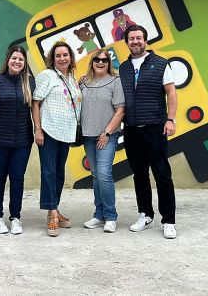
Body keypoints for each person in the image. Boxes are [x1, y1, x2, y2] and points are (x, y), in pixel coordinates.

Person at [118, 25, 178, 239]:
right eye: (131, 38)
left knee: (162, 174)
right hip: (132, 129)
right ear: (126, 42)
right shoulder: (123, 68)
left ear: (145, 41)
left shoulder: (161, 64)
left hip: (155, 127)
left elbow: (171, 93)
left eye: (139, 38)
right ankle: (145, 214)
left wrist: (170, 120)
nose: (135, 41)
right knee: (139, 174)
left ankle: (168, 220)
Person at [32, 41, 81, 237]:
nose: (62, 58)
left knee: (59, 173)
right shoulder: (47, 76)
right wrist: (38, 129)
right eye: (58, 55)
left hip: (66, 132)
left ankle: (55, 207)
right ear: (52, 59)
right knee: (49, 172)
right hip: (49, 131)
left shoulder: (72, 78)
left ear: (71, 58)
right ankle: (51, 213)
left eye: (65, 55)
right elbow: (35, 103)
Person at [0, 46, 35, 235]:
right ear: (8, 60)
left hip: (22, 140)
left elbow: (37, 108)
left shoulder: (30, 82)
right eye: (14, 58)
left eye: (21, 59)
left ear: (24, 63)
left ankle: (16, 217)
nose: (17, 62)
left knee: (17, 178)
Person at [80, 49, 124, 233]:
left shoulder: (116, 81)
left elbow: (120, 110)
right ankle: (99, 215)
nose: (100, 63)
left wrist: (106, 133)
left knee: (104, 174)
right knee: (96, 175)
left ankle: (111, 216)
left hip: (107, 136)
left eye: (104, 60)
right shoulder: (83, 81)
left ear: (109, 63)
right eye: (96, 60)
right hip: (88, 136)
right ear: (92, 62)